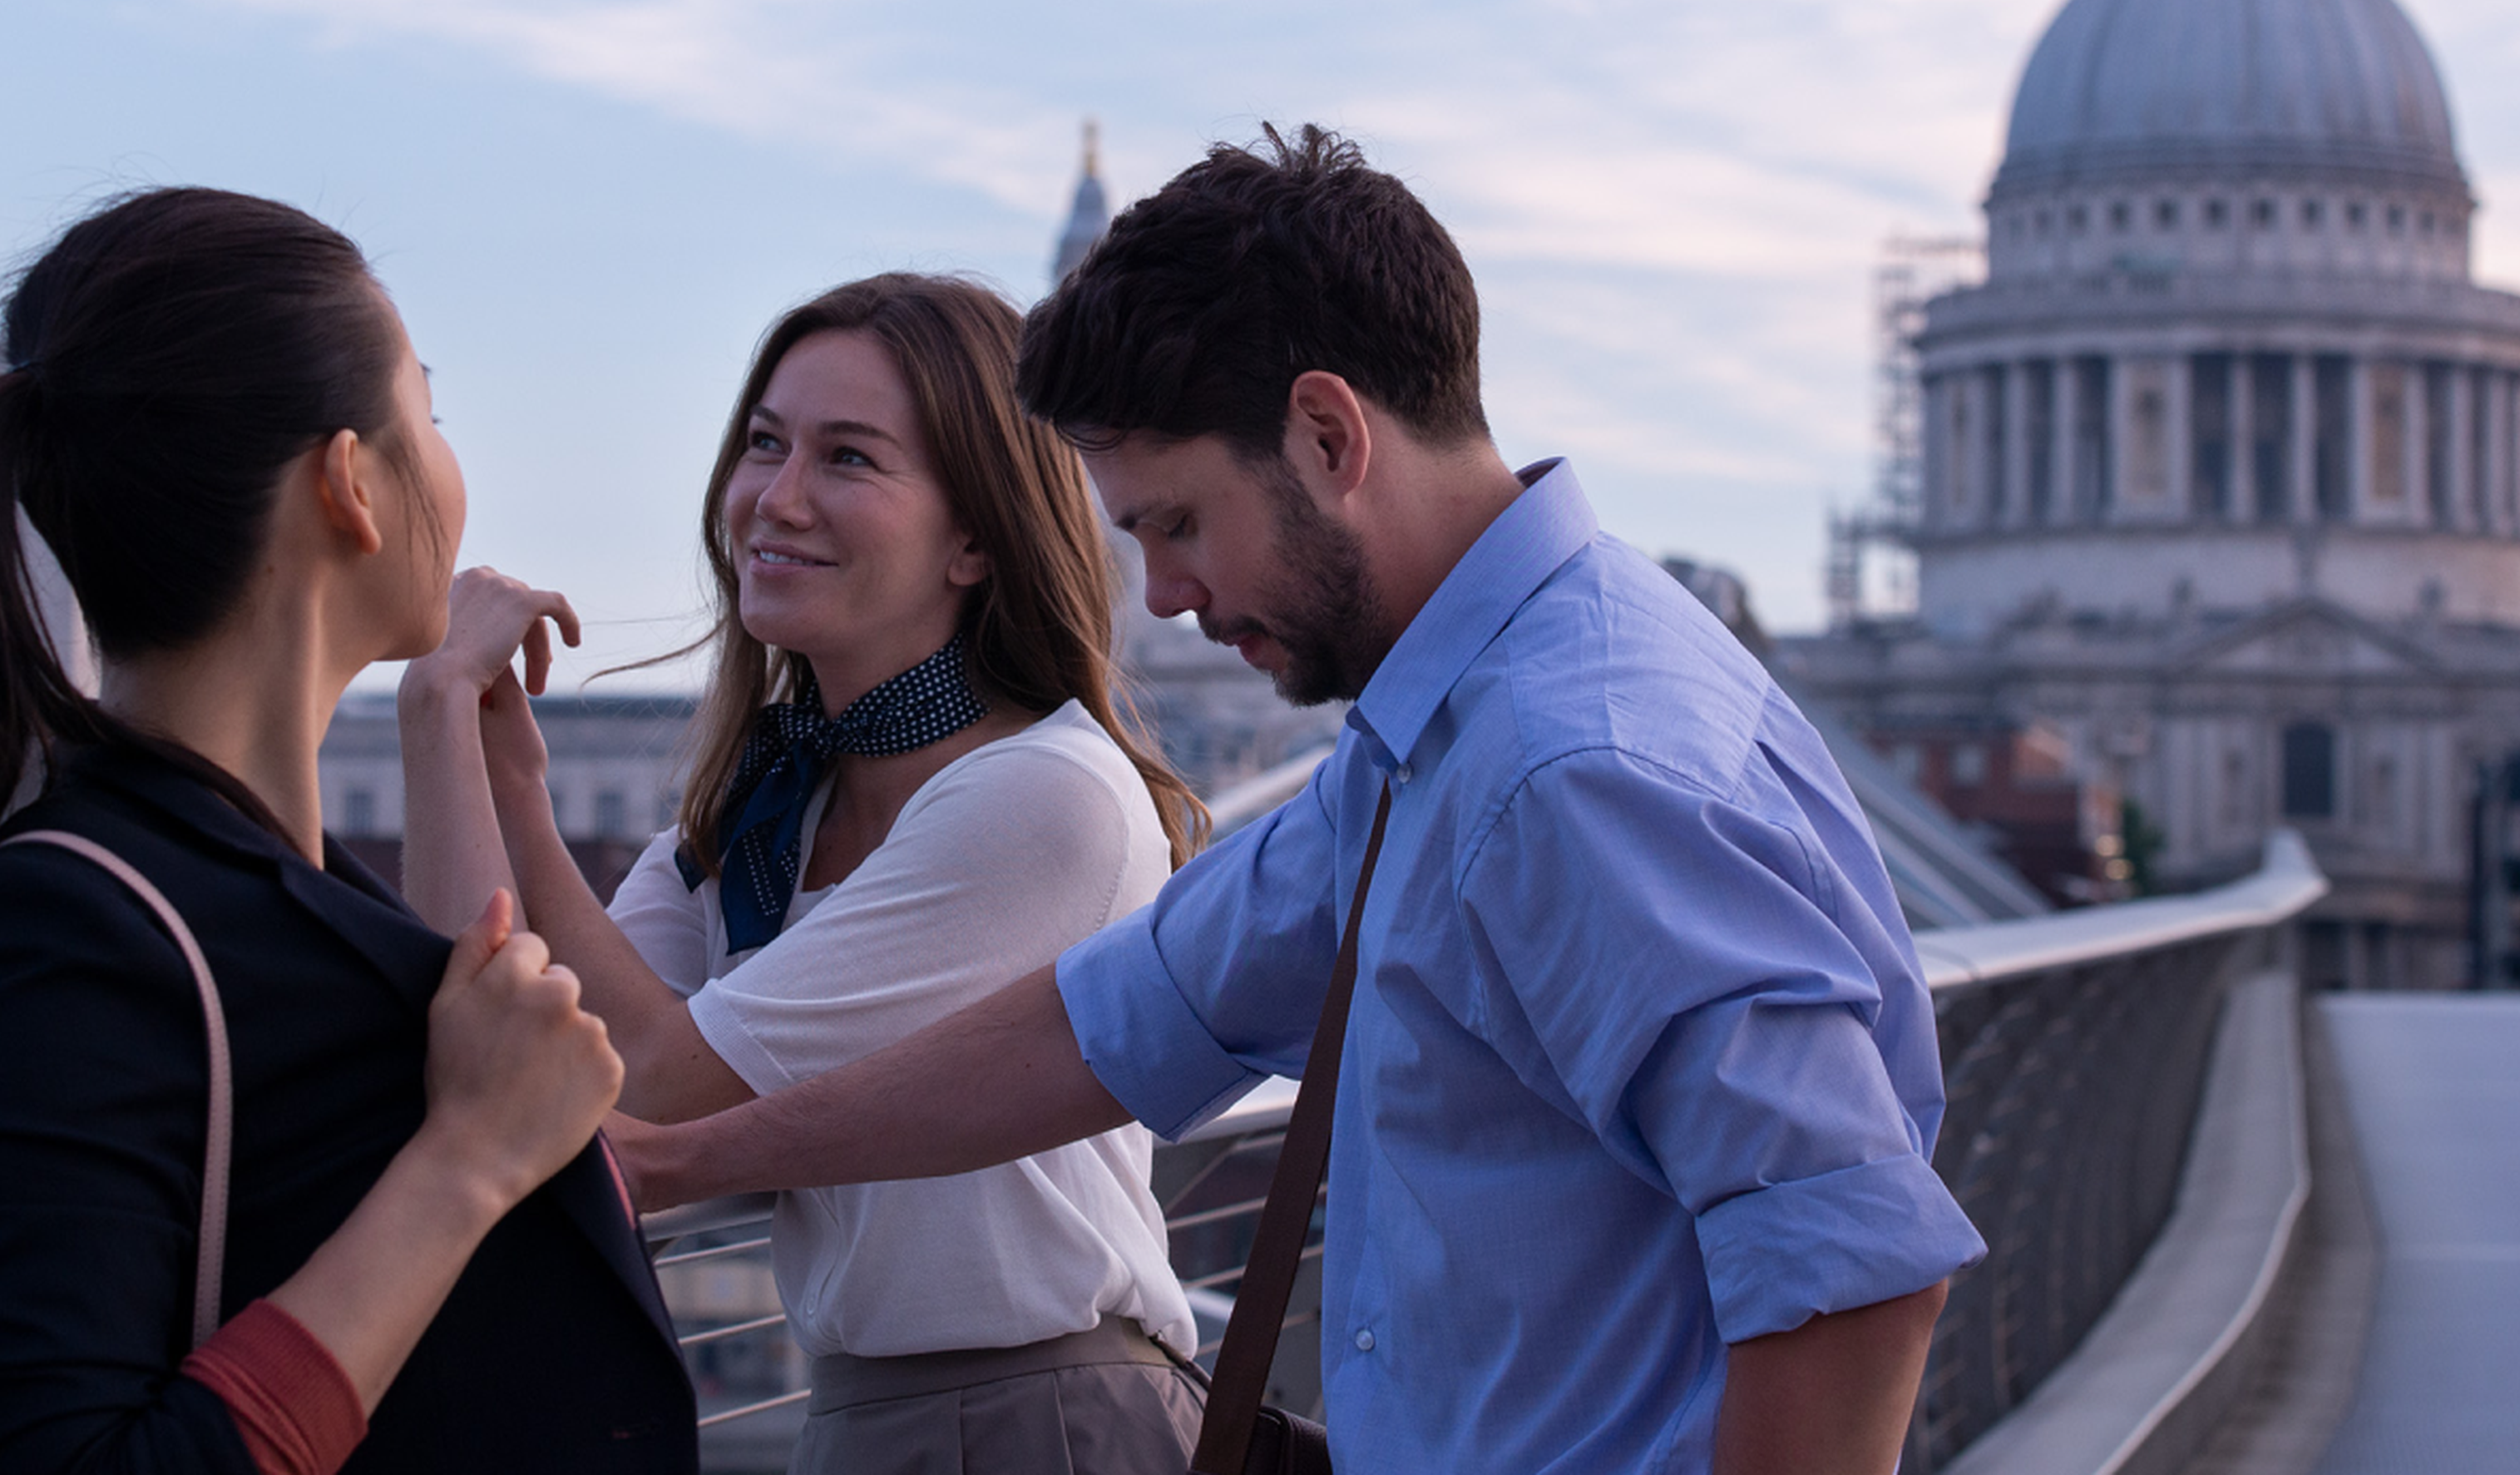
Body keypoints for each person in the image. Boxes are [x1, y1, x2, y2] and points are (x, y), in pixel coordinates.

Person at [610, 126, 1989, 1473]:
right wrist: (684, 1159)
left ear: (1329, 436)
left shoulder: (1570, 771)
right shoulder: (1449, 725)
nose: (1163, 594)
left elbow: (1850, 1269)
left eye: (1178, 522)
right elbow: (1113, 1021)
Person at [0, 189, 697, 1475]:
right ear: (348, 484)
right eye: (426, 414)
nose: (448, 457)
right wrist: (465, 1166)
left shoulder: (241, 894)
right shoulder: (55, 931)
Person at [393, 272, 1209, 1474]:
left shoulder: (1044, 797)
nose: (776, 500)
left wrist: (510, 787)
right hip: (870, 1415)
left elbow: (668, 1092)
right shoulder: (773, 800)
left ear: (977, 537)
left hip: (1042, 1415)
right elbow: (518, 1043)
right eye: (764, 446)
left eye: (848, 459)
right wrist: (452, 731)